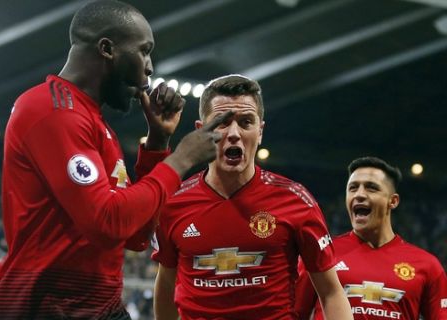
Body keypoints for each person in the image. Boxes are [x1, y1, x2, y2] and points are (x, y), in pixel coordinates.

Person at [0, 1, 232, 319]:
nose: (150, 67)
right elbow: (106, 223)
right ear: (107, 48)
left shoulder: (96, 125)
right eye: (144, 51)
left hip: (95, 307)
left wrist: (158, 143)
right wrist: (181, 159)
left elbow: (136, 235)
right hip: (46, 307)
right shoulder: (51, 110)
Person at [151, 74, 353, 320]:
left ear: (260, 132)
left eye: (246, 122)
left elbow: (331, 292)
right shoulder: (174, 203)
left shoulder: (296, 201)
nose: (234, 133)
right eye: (222, 122)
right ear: (201, 131)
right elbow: (166, 288)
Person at [295, 156, 447, 319]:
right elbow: (293, 313)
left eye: (371, 188)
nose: (359, 194)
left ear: (393, 201)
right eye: (352, 188)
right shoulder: (321, 253)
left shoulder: (427, 266)